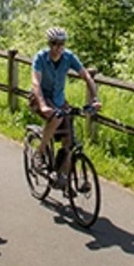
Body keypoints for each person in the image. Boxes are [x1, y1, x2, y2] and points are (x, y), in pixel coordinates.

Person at [30, 26, 100, 182]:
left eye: (62, 44)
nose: (58, 47)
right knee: (56, 117)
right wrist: (42, 105)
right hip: (39, 97)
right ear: (49, 44)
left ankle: (61, 177)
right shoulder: (40, 58)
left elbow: (86, 76)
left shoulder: (69, 57)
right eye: (55, 44)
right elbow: (36, 83)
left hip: (58, 100)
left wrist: (95, 99)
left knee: (69, 139)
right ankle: (39, 153)